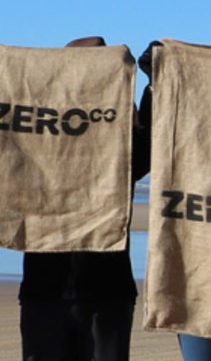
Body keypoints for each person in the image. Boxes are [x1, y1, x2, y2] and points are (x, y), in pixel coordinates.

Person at [19, 37, 151, 361]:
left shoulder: (119, 139)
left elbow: (150, 147)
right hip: (46, 290)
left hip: (106, 291)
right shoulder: (35, 138)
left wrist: (153, 86)